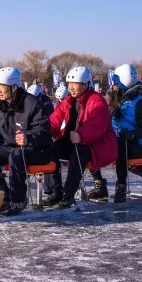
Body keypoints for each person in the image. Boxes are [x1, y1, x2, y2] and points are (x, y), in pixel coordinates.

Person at [0, 67, 52, 216]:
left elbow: (44, 132)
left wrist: (28, 138)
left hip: (37, 150)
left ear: (13, 87)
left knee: (16, 156)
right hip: (12, 148)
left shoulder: (31, 103)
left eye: (1, 86)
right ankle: (3, 197)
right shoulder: (0, 106)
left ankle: (18, 200)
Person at [45, 67, 117, 209]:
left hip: (96, 145)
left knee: (78, 154)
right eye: (69, 84)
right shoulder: (68, 101)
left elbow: (97, 125)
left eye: (75, 84)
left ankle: (68, 196)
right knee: (50, 149)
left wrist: (81, 135)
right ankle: (56, 191)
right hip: (73, 141)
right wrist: (42, 133)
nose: (71, 87)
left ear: (85, 84)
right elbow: (54, 120)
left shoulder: (97, 101)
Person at [89, 64, 142, 203]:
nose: (113, 85)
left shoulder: (140, 102)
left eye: (115, 82)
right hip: (116, 137)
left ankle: (121, 186)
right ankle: (99, 184)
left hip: (136, 143)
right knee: (92, 144)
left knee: (121, 146)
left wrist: (132, 134)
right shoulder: (114, 98)